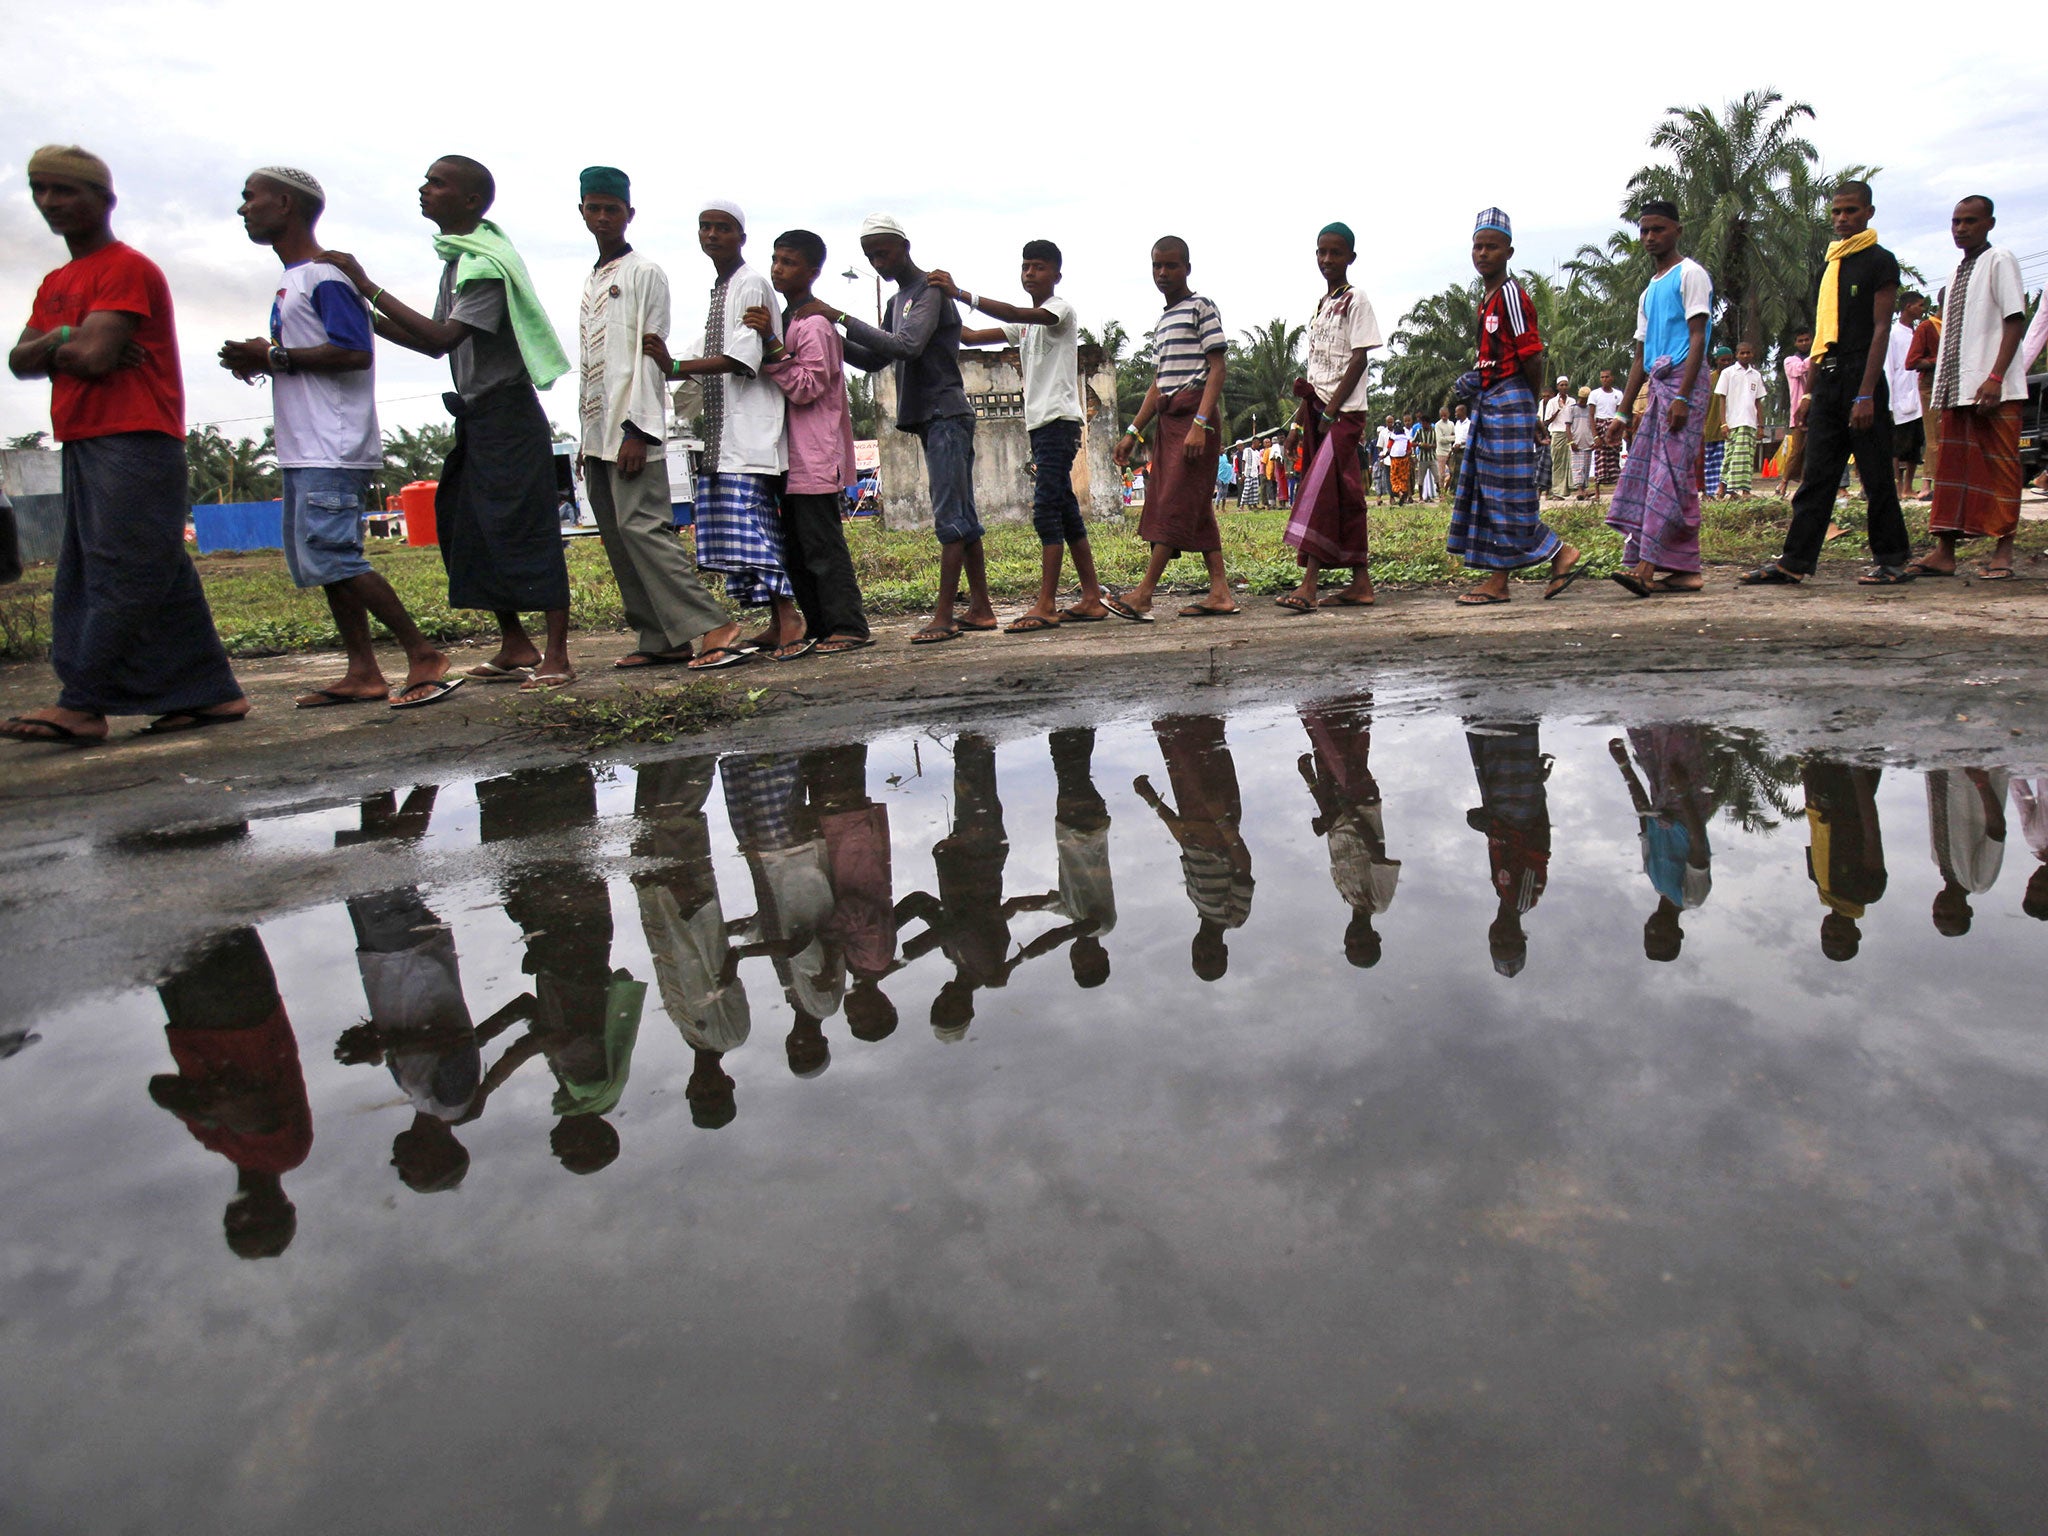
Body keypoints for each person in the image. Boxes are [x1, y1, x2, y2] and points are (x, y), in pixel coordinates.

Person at [6, 145, 247, 744]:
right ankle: (210, 694)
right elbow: (19, 360)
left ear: (103, 199)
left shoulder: (126, 268)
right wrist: (67, 333)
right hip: (85, 436)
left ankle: (83, 702)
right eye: (41, 190)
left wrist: (64, 348)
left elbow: (90, 359)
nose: (51, 202)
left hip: (135, 435)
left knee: (117, 572)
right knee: (155, 567)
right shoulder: (57, 281)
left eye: (66, 190)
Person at [320, 156, 577, 687]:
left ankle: (557, 654)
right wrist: (363, 317)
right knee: (468, 525)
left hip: (508, 414)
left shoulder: (485, 265)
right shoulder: (458, 260)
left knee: (528, 529)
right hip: (478, 416)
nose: (424, 189)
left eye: (436, 183)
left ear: (469, 201)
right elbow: (433, 343)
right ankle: (515, 644)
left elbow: (441, 339)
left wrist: (367, 286)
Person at [217, 168, 456, 711]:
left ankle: (423, 653)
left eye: (249, 198)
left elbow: (355, 351)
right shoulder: (294, 278)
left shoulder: (325, 277)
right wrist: (262, 359)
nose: (243, 209)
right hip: (306, 444)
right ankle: (363, 671)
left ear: (285, 204)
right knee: (323, 562)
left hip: (334, 444)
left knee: (337, 556)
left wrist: (273, 357)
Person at [572, 170, 751, 674]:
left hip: (633, 429)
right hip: (597, 431)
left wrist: (639, 429)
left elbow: (652, 356)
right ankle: (659, 636)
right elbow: (591, 367)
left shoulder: (644, 272)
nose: (603, 217)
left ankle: (713, 623)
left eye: (612, 209)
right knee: (617, 534)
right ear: (582, 212)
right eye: (594, 208)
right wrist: (587, 439)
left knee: (644, 528)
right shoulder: (592, 278)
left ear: (629, 215)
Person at [809, 214, 994, 645]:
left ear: (904, 247)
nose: (877, 261)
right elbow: (877, 359)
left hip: (945, 413)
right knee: (962, 514)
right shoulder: (898, 302)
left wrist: (840, 316)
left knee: (950, 516)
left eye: (882, 252)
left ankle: (945, 616)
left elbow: (907, 346)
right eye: (870, 256)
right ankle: (981, 609)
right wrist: (828, 333)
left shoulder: (929, 291)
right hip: (931, 417)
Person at [642, 201, 803, 662]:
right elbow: (704, 352)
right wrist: (667, 364)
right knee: (738, 533)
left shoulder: (750, 282)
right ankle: (776, 621)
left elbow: (742, 358)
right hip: (722, 438)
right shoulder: (722, 288)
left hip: (747, 438)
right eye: (705, 227)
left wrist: (673, 364)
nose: (712, 235)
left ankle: (790, 617)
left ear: (741, 237)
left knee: (752, 532)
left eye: (723, 228)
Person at [1741, 180, 1915, 587]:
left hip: (1862, 375)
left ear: (1868, 213)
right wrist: (1813, 393)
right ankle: (1794, 562)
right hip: (1830, 375)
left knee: (1875, 476)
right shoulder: (1831, 264)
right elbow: (1824, 333)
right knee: (1816, 475)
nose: (1842, 219)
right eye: (1836, 211)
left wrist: (1867, 392)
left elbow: (1880, 330)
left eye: (1851, 211)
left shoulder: (1879, 261)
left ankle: (1892, 560)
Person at [936, 239, 1110, 631]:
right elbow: (970, 337)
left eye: (1038, 267)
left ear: (1056, 275)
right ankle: (1091, 597)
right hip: (1041, 426)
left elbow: (1019, 313)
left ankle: (1046, 604)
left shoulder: (1059, 311)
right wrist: (940, 303)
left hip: (1059, 422)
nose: (1030, 273)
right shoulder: (1023, 327)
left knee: (1046, 509)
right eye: (1025, 267)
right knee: (1064, 511)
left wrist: (963, 293)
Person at [147, 927, 311, 1257]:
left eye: (232, 1228)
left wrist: (211, 1106)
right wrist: (204, 1106)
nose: (238, 1219)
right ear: (284, 1208)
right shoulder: (286, 1154)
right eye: (253, 1226)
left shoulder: (219, 1144)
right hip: (240, 1013)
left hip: (191, 1020)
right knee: (211, 910)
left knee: (163, 915)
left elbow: (158, 1088)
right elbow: (249, 1110)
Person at [1447, 209, 1583, 605]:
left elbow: (1532, 355)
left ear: (1509, 251)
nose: (1482, 253)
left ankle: (1555, 554)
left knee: (1505, 493)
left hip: (1508, 398)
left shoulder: (1510, 295)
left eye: (1491, 246)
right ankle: (1505, 577)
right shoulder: (1486, 300)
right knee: (1491, 492)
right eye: (1478, 246)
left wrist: (1530, 404)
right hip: (1492, 400)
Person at [746, 228, 871, 654]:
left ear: (813, 271)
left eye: (790, 262)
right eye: (776, 260)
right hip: (790, 455)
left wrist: (770, 348)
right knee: (798, 547)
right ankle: (819, 625)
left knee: (822, 545)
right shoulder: (788, 321)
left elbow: (806, 387)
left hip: (814, 453)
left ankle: (848, 626)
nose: (779, 269)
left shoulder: (814, 324)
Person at [1106, 237, 1234, 621]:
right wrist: (1133, 431)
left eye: (1171, 266)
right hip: (1169, 421)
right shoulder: (1163, 321)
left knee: (1174, 502)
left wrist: (1200, 424)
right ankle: (1221, 592)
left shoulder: (1201, 307)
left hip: (1195, 419)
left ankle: (1144, 594)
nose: (1163, 273)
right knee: (1194, 507)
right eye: (1157, 266)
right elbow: (1159, 382)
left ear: (1187, 268)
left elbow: (1218, 368)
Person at [1908, 196, 2031, 581]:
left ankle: (2003, 552)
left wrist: (1995, 377)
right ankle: (1945, 551)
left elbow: (2014, 320)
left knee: (2001, 469)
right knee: (1954, 472)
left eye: (1970, 221)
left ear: (1989, 223)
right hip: (1956, 389)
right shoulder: (1956, 270)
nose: (1961, 228)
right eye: (1956, 221)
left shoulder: (2001, 259)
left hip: (1994, 388)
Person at [1608, 200, 1713, 597]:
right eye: (1645, 231)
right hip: (1658, 387)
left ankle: (1645, 568)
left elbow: (1698, 337)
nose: (1650, 237)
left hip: (1684, 384)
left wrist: (1683, 397)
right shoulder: (1649, 290)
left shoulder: (1691, 274)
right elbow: (1639, 356)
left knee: (1665, 477)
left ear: (1677, 231)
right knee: (1674, 478)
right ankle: (1686, 570)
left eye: (1658, 230)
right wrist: (1622, 410)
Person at [1276, 222, 1381, 612]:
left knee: (1318, 490)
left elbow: (1359, 359)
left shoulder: (1356, 300)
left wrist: (1333, 411)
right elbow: (1318, 372)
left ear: (1350, 257)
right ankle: (1361, 583)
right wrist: (1299, 425)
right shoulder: (1322, 306)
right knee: (1344, 495)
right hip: (1317, 411)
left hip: (1344, 414)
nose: (1327, 260)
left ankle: (1309, 585)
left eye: (1335, 253)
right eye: (1321, 252)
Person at [1135, 714, 1254, 981]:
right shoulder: (1234, 916)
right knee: (1206, 748)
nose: (1203, 951)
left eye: (1197, 957)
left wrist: (1153, 801)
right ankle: (1203, 705)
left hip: (1192, 813)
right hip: (1217, 816)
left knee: (1178, 748)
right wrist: (1222, 820)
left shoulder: (1196, 900)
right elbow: (1243, 866)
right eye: (1210, 956)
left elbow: (1186, 841)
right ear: (1223, 952)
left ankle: (1183, 702)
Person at [1297, 695, 1400, 968]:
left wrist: (1309, 780)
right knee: (1341, 745)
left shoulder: (1346, 893)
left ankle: (1329, 695)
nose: (1355, 939)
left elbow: (1335, 829)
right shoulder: (1379, 902)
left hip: (1340, 804)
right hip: (1360, 804)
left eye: (1350, 945)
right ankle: (1350, 693)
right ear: (1376, 938)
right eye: (1363, 944)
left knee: (1325, 746)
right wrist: (1352, 811)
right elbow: (1376, 851)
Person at [1608, 727, 1715, 961]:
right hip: (1687, 802)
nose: (1654, 931)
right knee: (1677, 730)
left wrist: (1624, 765)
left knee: (1644, 726)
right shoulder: (1692, 898)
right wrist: (1684, 793)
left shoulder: (1653, 877)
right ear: (1678, 934)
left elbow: (1645, 817)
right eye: (1662, 938)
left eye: (1649, 936)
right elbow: (1698, 847)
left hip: (1661, 791)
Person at [1464, 720, 1551, 977]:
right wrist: (1538, 788)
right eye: (1508, 943)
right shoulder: (1522, 899)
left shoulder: (1502, 893)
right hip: (1519, 803)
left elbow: (1502, 843)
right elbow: (1539, 846)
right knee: (1512, 732)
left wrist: (1486, 823)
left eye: (1495, 943)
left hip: (1500, 804)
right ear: (1522, 938)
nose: (1500, 937)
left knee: (1490, 738)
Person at [1047, 727, 1116, 989]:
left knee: (1070, 772)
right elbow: (1059, 935)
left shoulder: (1070, 910)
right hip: (1086, 832)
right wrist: (1023, 955)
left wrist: (1008, 909)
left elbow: (1038, 903)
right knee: (1071, 772)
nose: (1079, 958)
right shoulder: (1103, 926)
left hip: (1073, 826)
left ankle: (1076, 721)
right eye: (1088, 963)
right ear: (1103, 955)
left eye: (1076, 964)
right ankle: (1077, 721)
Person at [1802, 759, 1887, 961]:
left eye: (1826, 936)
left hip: (1820, 783)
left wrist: (1805, 770)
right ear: (1856, 934)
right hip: (1853, 787)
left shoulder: (1819, 882)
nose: (1831, 931)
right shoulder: (1867, 891)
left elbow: (1814, 825)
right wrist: (1857, 772)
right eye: (1838, 937)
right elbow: (1871, 835)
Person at [1924, 768, 2008, 937]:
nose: (1941, 909)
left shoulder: (1938, 862)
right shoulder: (1978, 882)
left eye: (1937, 915)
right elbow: (1996, 832)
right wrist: (1981, 782)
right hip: (1972, 776)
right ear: (1967, 911)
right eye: (1950, 915)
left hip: (1942, 773)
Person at [1886, 292, 1928, 499]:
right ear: (1908, 307)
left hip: (1919, 395)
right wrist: (1890, 401)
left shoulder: (1919, 332)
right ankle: (1897, 485)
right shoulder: (1893, 334)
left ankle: (1908, 487)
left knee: (1915, 445)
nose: (1922, 309)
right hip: (1900, 395)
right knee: (1897, 446)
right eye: (1919, 305)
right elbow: (1889, 368)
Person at [1905, 292, 1943, 500]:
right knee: (1934, 434)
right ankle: (1927, 485)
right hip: (1930, 384)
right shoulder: (1927, 327)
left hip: (1948, 382)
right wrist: (1937, 360)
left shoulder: (1953, 325)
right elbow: (1911, 362)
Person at [1716, 341, 1765, 496]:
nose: (1745, 355)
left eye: (1748, 353)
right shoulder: (1728, 373)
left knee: (1745, 458)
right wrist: (1723, 423)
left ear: (1752, 354)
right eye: (1742, 353)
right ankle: (1723, 488)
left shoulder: (1756, 375)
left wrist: (1761, 425)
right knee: (1730, 456)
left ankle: (1744, 490)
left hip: (1750, 422)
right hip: (1733, 422)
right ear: (1736, 355)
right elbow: (1721, 399)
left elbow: (1758, 401)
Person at [1775, 328, 1813, 500]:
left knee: (1812, 450)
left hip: (1817, 410)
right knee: (1796, 450)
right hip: (1798, 412)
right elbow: (1800, 369)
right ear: (1796, 343)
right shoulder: (1790, 361)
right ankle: (1783, 483)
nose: (1804, 343)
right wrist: (1817, 357)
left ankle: (1806, 485)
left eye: (1807, 340)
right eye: (1801, 340)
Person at [1700, 347, 1732, 497]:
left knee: (1726, 462)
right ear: (1717, 361)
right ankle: (1709, 493)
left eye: (1729, 360)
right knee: (1708, 463)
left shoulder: (1734, 377)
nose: (1726, 363)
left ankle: (1724, 491)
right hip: (1710, 427)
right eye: (1723, 360)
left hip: (1729, 427)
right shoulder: (1709, 379)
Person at [1587, 367, 1625, 488]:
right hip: (1599, 426)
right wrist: (1595, 436)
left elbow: (1620, 415)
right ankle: (1597, 491)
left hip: (1613, 426)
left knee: (1614, 458)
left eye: (1607, 377)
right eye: (1602, 377)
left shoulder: (1618, 394)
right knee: (1600, 459)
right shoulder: (1594, 394)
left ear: (1612, 378)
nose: (1604, 379)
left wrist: (1619, 433)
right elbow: (1591, 416)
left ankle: (1615, 489)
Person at [1540, 375, 1574, 500]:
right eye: (1561, 385)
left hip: (1570, 434)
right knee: (1558, 463)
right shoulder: (1552, 402)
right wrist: (1558, 410)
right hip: (1557, 433)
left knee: (1570, 462)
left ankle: (1567, 489)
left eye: (1566, 385)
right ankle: (1557, 492)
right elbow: (1546, 421)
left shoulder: (1572, 401)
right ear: (1557, 387)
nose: (1564, 387)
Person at [1570, 384, 1597, 497]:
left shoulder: (1590, 410)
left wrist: (1594, 440)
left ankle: (1584, 491)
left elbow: (1593, 424)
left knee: (1586, 467)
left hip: (1588, 441)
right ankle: (1579, 489)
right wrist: (1571, 441)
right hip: (1576, 442)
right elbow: (1567, 426)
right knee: (1577, 467)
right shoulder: (1572, 409)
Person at [1432, 404, 1455, 498]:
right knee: (1441, 475)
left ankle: (1446, 491)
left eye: (1445, 415)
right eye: (1442, 415)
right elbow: (1440, 439)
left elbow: (1455, 436)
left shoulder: (1451, 424)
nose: (1443, 417)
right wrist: (1451, 438)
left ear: (1449, 414)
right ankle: (1442, 494)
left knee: (1452, 472)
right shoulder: (1438, 425)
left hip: (1450, 451)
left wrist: (1448, 438)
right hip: (1441, 452)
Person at [1448, 403, 1470, 497]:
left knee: (1462, 472)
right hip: (1456, 451)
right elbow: (1457, 438)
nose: (1455, 414)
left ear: (1463, 411)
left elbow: (1470, 439)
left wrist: (1460, 444)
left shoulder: (1469, 424)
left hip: (1464, 451)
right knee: (1453, 472)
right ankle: (1453, 492)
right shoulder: (1457, 424)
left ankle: (1462, 492)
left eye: (1457, 412)